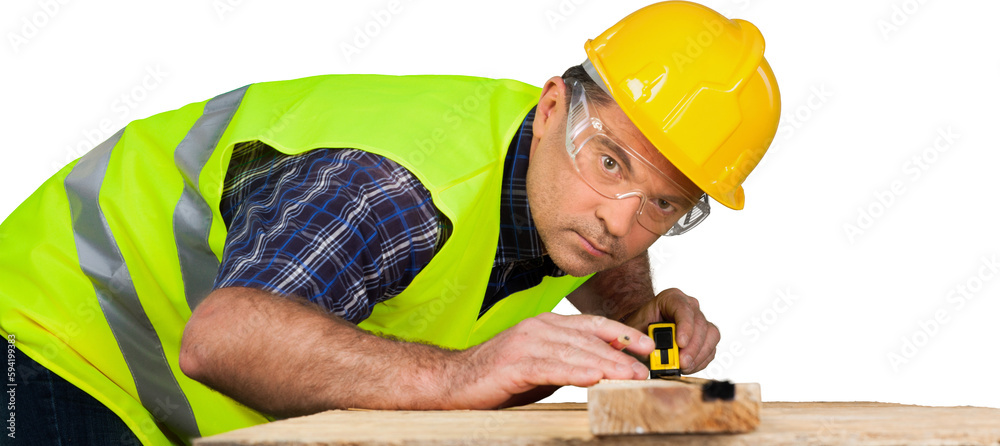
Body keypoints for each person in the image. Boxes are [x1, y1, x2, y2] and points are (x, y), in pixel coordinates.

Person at [0, 1, 780, 444]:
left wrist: (631, 315)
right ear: (552, 108)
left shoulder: (552, 170)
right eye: (611, 164)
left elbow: (609, 217)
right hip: (51, 344)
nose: (618, 221)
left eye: (664, 204)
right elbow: (224, 338)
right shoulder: (389, 189)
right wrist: (465, 376)